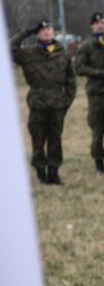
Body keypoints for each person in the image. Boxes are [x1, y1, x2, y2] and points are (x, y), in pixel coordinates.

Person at [11, 19, 76, 185]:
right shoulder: (29, 53)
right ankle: (40, 173)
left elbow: (71, 80)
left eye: (49, 29)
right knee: (38, 139)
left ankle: (54, 172)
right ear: (37, 34)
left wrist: (66, 100)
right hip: (38, 102)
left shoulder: (62, 53)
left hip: (57, 102)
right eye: (42, 30)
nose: (46, 32)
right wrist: (26, 31)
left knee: (55, 139)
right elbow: (10, 48)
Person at [73, 12, 104, 175]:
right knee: (98, 130)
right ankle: (99, 164)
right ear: (92, 26)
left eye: (102, 22)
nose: (100, 25)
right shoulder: (87, 46)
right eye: (97, 23)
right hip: (97, 93)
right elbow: (79, 68)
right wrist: (100, 73)